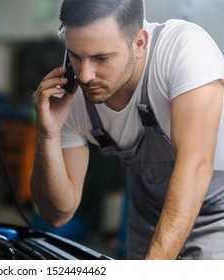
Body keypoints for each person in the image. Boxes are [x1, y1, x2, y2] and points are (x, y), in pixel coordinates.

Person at [30, 0, 224, 260]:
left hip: (217, 211)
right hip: (149, 210)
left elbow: (196, 166)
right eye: (75, 56)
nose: (85, 75)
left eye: (101, 57)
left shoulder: (184, 50)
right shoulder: (70, 97)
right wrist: (48, 135)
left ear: (140, 43)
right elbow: (57, 214)